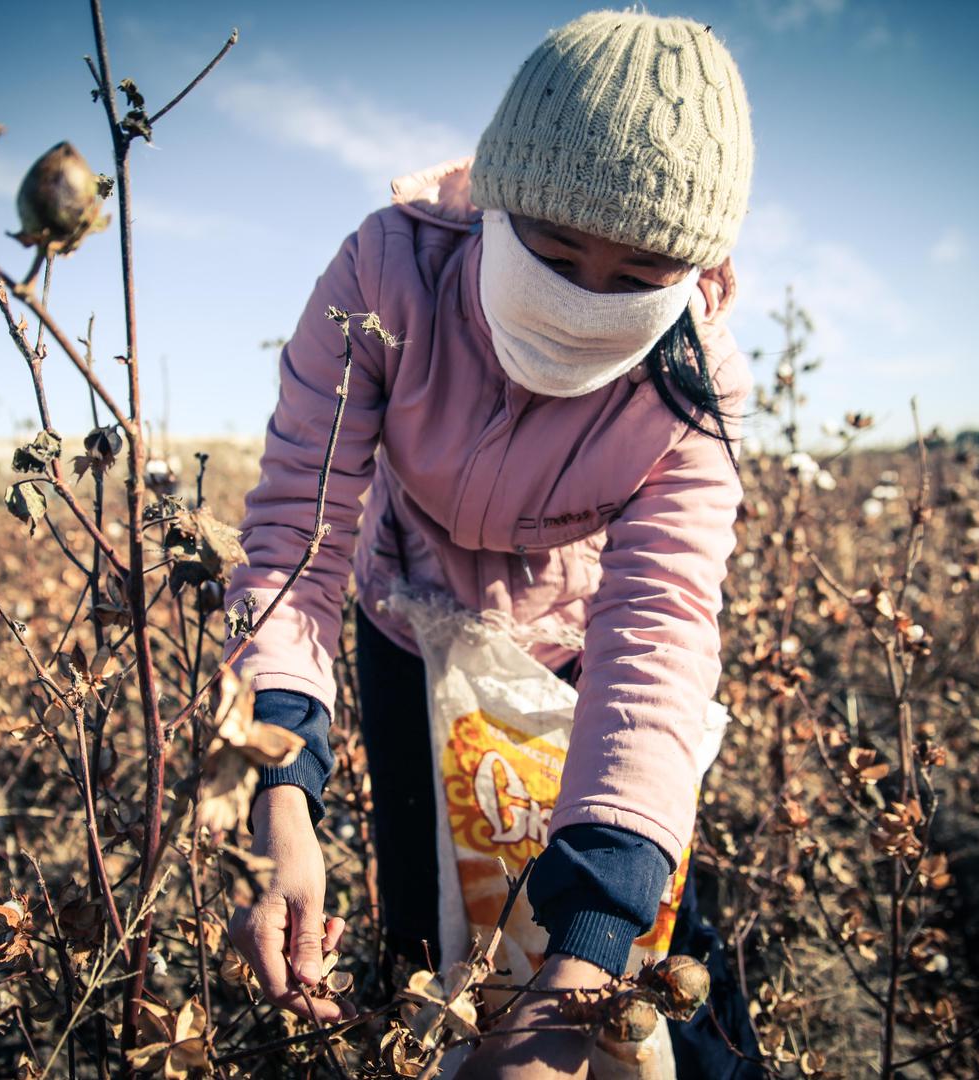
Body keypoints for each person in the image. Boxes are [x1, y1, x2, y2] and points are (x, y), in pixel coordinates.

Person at [226, 10, 755, 1077]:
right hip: (401, 626)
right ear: (493, 207)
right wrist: (275, 790)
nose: (582, 299)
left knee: (647, 962)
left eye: (637, 273)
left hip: (570, 655)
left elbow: (656, 633)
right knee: (431, 934)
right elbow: (297, 533)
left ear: (694, 271)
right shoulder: (389, 273)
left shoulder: (693, 383)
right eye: (554, 252)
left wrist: (586, 961)